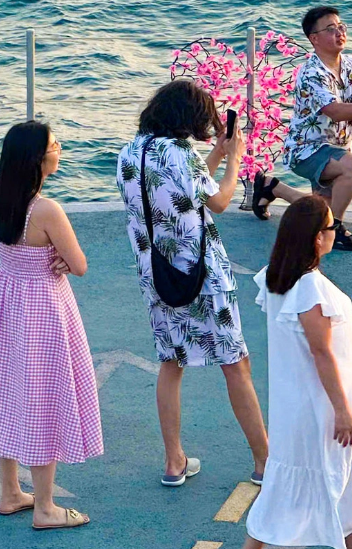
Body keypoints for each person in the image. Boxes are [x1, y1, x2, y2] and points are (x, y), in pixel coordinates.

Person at [117, 80, 269, 486]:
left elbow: (187, 196)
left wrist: (216, 155)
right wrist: (234, 158)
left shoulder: (131, 152)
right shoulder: (182, 153)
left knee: (171, 363)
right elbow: (217, 201)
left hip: (158, 274)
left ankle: (174, 461)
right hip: (204, 275)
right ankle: (265, 463)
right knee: (236, 363)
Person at [0, 121, 102, 531]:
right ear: (38, 160)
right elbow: (78, 265)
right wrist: (60, 259)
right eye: (54, 145)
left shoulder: (4, 200)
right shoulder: (46, 209)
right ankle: (45, 507)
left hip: (6, 307)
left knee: (8, 393)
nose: (59, 149)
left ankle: (11, 492)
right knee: (44, 398)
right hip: (43, 309)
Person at [243, 195, 352, 549]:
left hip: (298, 408)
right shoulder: (311, 288)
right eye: (332, 226)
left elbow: (309, 341)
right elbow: (320, 352)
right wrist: (342, 411)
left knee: (283, 504)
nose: (337, 231)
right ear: (316, 238)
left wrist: (347, 326)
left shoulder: (281, 279)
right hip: (323, 410)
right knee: (348, 497)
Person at [256, 6, 352, 252]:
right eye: (331, 29)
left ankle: (272, 187)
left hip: (337, 149)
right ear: (314, 39)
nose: (339, 32)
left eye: (341, 27)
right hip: (307, 150)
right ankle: (337, 229)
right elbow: (334, 110)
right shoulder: (312, 73)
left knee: (319, 214)